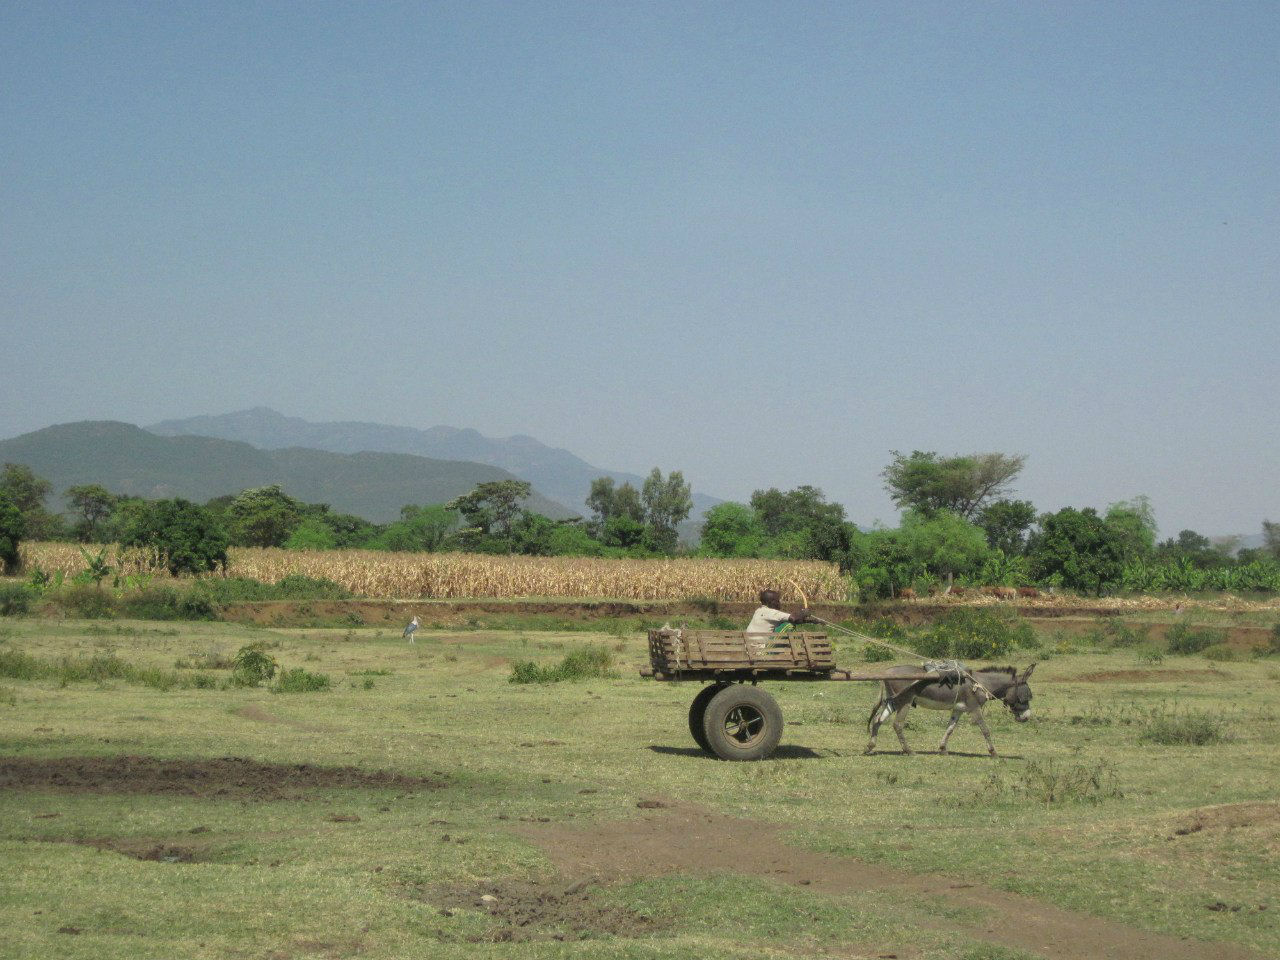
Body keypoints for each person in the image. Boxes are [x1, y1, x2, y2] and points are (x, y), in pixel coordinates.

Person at [745, 588, 816, 634]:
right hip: (760, 650)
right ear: (771, 602)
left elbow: (793, 619)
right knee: (789, 625)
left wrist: (811, 621)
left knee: (787, 623)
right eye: (777, 601)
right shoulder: (771, 613)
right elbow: (793, 618)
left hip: (751, 648)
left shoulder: (758, 611)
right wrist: (804, 612)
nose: (779, 603)